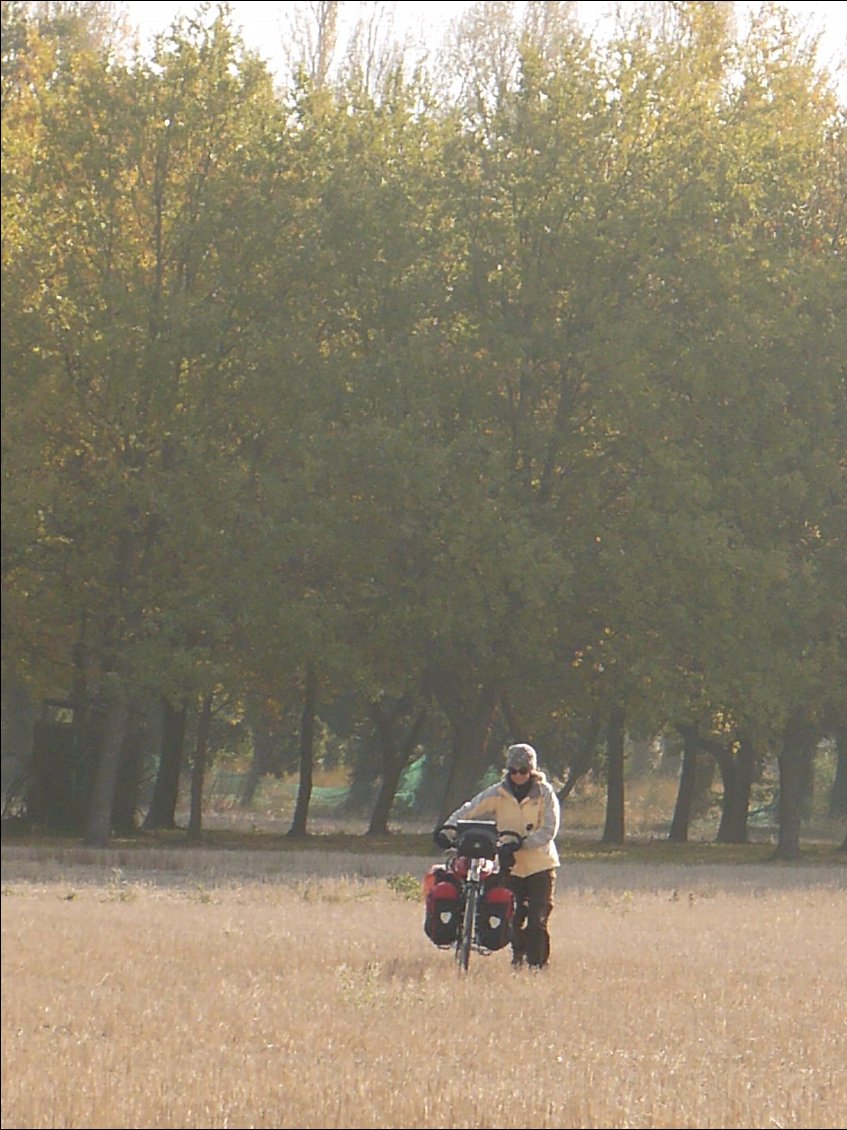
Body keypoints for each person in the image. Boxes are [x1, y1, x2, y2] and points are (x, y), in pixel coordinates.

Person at [438, 743, 560, 969]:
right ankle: (518, 956)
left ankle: (537, 966)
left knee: (537, 921)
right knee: (511, 918)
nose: (518, 776)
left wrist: (521, 844)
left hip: (541, 866)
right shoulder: (497, 792)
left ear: (532, 770)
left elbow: (549, 830)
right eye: (513, 771)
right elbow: (468, 809)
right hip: (509, 866)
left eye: (523, 771)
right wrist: (448, 828)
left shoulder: (545, 793)